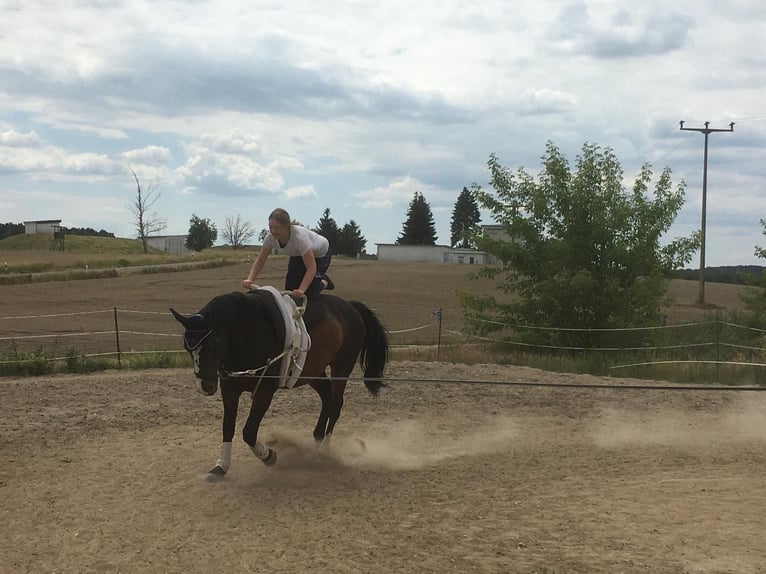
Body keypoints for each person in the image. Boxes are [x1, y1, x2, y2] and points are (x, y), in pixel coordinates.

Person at [242, 208, 334, 299]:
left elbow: (311, 268)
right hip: (298, 254)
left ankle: (323, 281)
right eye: (270, 227)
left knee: (308, 294)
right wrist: (250, 279)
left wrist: (301, 290)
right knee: (290, 293)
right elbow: (261, 260)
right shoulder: (269, 238)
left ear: (287, 226)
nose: (273, 231)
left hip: (320, 254)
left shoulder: (300, 238)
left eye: (277, 227)